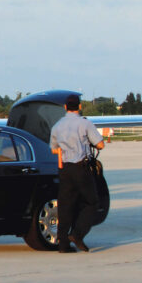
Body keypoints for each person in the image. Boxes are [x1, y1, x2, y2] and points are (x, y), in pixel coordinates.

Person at [49, 94, 104, 253]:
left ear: (65, 107)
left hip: (65, 169)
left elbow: (54, 149)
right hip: (81, 167)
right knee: (92, 202)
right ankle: (77, 234)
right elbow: (100, 145)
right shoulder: (84, 123)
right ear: (79, 107)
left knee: (65, 206)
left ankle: (63, 244)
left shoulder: (57, 126)